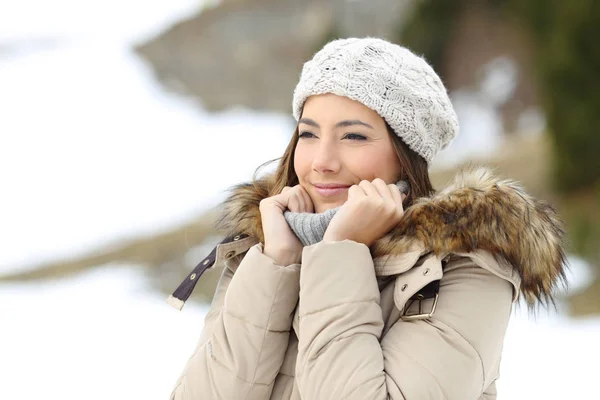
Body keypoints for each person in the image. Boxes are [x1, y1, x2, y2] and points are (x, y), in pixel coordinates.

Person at [167, 37, 567, 399]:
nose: (321, 162)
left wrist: (341, 251)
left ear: (405, 157)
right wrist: (277, 265)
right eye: (308, 134)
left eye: (353, 136)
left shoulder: (467, 265)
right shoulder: (265, 252)